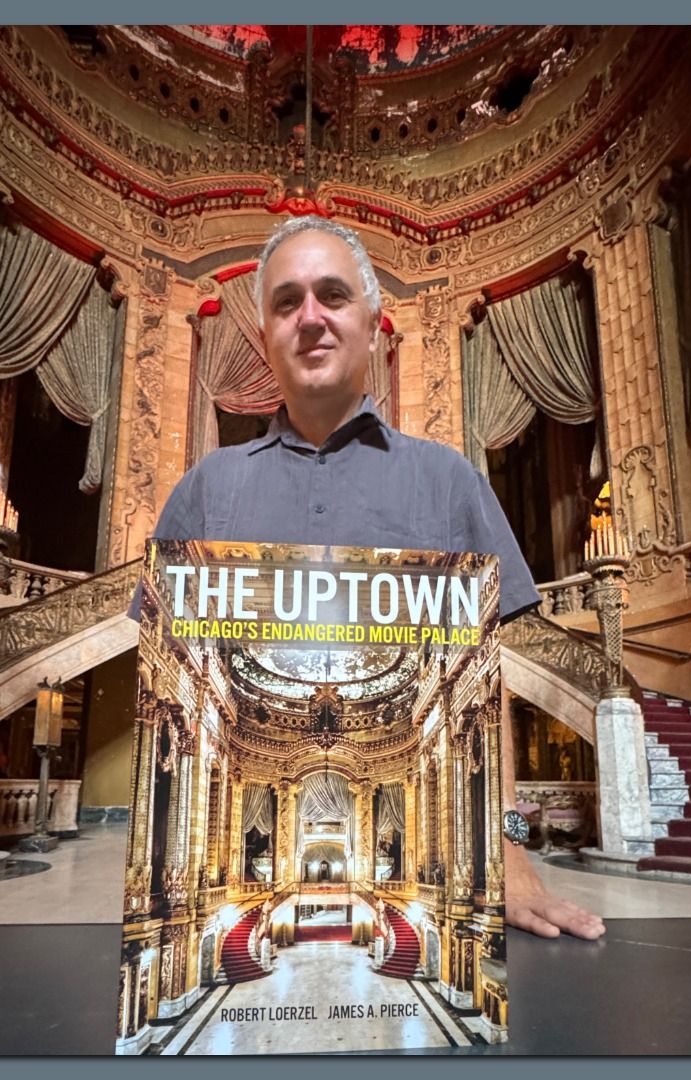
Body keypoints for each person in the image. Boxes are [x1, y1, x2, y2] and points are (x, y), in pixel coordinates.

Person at [138, 215, 604, 940]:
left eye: (333, 295)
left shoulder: (449, 480)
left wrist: (506, 848)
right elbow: (164, 694)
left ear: (376, 322)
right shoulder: (203, 492)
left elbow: (487, 690)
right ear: (263, 336)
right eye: (287, 302)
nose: (311, 318)